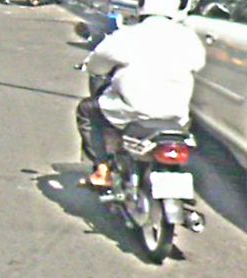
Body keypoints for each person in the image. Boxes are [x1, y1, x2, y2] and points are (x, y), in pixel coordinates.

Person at [76, 0, 206, 188]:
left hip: (132, 111)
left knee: (86, 110)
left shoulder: (128, 35)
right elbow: (198, 64)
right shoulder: (188, 38)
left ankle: (102, 171)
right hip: (176, 115)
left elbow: (98, 65)